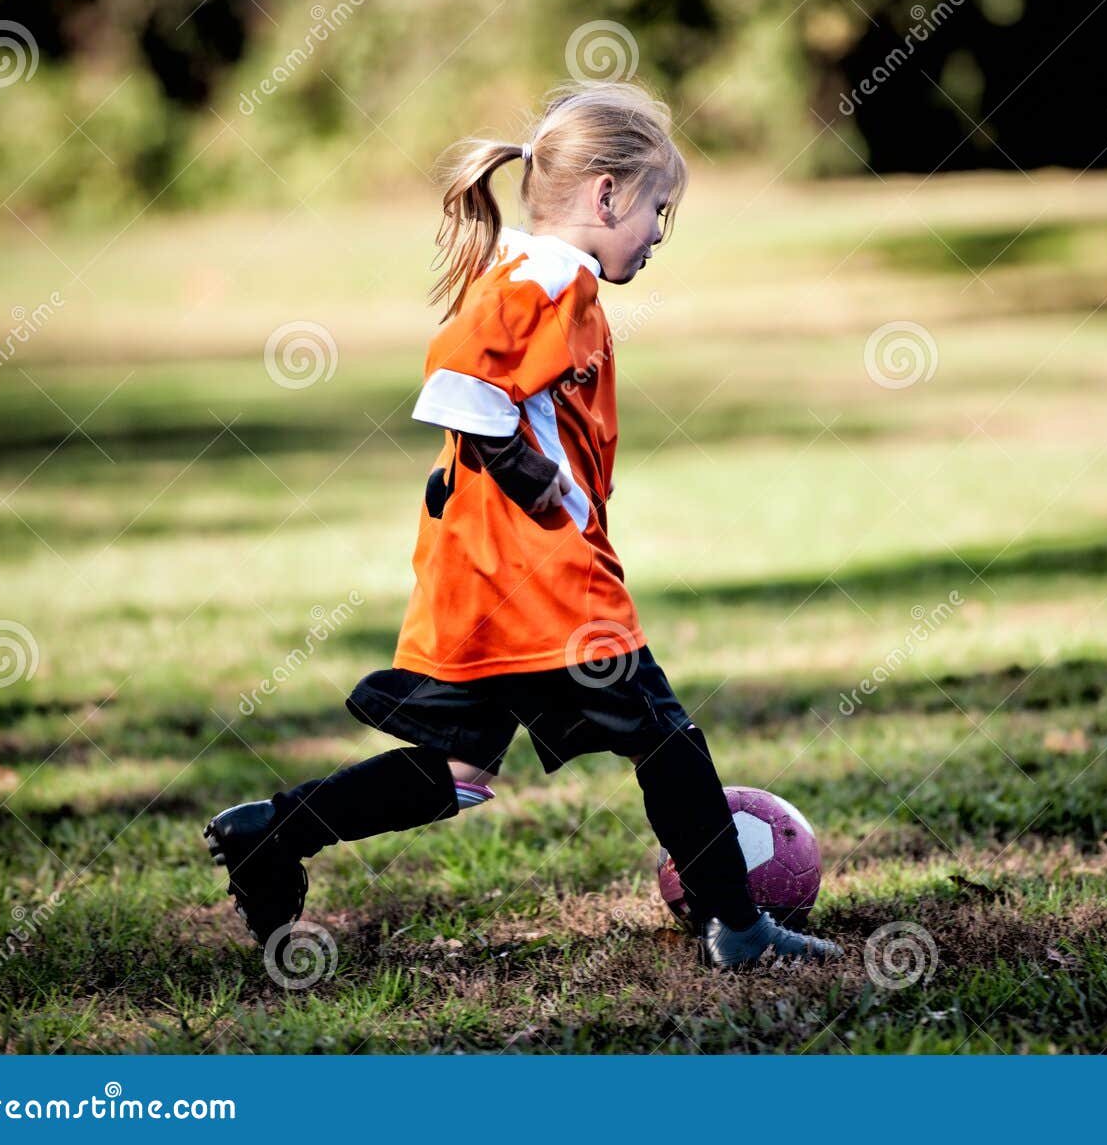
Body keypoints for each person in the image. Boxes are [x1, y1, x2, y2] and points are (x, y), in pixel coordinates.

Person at [203, 80, 842, 971]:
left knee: (458, 769)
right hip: (542, 578)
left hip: (481, 575)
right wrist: (525, 471)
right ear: (606, 194)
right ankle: (740, 929)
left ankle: (274, 832)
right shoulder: (548, 276)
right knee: (665, 736)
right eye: (657, 209)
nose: (660, 233)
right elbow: (458, 378)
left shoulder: (536, 274)